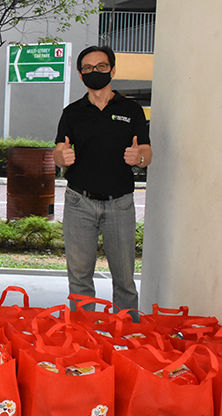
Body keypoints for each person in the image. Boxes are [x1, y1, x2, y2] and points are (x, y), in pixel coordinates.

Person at [54, 45, 151, 315]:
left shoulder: (131, 109)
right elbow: (58, 151)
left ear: (113, 69)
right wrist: (62, 158)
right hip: (79, 202)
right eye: (87, 68)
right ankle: (85, 341)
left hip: (119, 203)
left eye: (101, 67)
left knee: (124, 280)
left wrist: (138, 158)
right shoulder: (72, 112)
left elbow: (146, 151)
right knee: (80, 279)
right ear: (80, 74)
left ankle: (126, 341)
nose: (94, 72)